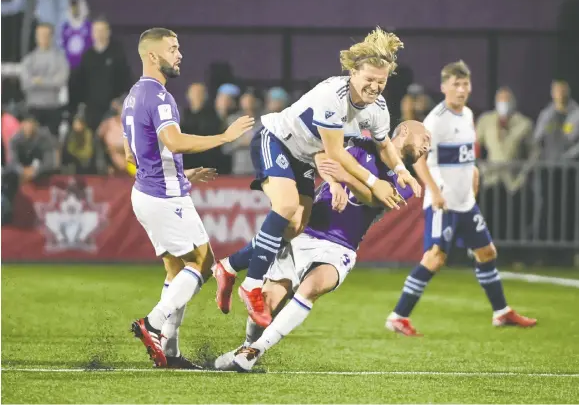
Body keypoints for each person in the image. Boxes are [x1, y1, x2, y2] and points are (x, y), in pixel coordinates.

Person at [212, 27, 421, 328]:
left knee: (296, 226)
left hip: (304, 158)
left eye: (382, 81)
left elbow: (384, 143)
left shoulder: (378, 107)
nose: (375, 87)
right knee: (284, 207)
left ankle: (229, 267)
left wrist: (402, 171)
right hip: (276, 140)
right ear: (353, 72)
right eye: (369, 79)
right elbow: (336, 153)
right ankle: (252, 286)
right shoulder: (332, 96)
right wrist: (375, 182)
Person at [214, 120, 430, 372]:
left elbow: (373, 198)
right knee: (267, 302)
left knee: (313, 286)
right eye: (425, 137)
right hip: (307, 230)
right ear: (404, 131)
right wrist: (335, 181)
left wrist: (345, 177)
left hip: (341, 246)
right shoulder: (361, 146)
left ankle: (254, 351)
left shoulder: (406, 180)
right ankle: (246, 347)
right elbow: (328, 160)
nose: (427, 145)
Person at [123, 27, 254, 368]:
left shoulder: (133, 97)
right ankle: (152, 324)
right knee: (203, 264)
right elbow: (175, 142)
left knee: (176, 270)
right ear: (153, 56)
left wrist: (179, 174)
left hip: (148, 192)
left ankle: (169, 353)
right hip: (164, 197)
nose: (179, 54)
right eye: (172, 48)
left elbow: (131, 155)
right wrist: (224, 137)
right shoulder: (160, 96)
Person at [386, 61, 537, 337]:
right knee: (434, 258)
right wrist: (434, 191)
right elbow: (420, 160)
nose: (461, 89)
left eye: (465, 84)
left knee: (487, 252)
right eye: (455, 84)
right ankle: (398, 316)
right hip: (443, 202)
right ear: (444, 87)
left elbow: (466, 154)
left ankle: (501, 312)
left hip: (465, 202)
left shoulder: (467, 114)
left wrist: (474, 172)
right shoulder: (436, 120)